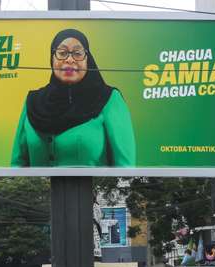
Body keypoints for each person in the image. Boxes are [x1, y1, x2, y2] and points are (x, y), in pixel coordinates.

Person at [11, 29, 136, 168]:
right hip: (37, 190)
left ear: (88, 59)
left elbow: (125, 167)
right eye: (62, 53)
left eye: (77, 53)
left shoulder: (108, 99)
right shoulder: (33, 102)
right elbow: (17, 164)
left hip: (94, 190)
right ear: (51, 58)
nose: (69, 59)